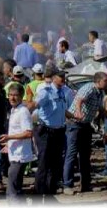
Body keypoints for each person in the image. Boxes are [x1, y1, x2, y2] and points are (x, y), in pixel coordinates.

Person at [64, 71, 107, 194]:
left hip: (86, 125)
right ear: (98, 81)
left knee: (85, 156)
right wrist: (78, 111)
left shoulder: (100, 92)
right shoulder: (89, 88)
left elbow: (101, 109)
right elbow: (79, 99)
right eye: (105, 81)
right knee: (71, 155)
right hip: (75, 124)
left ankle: (86, 185)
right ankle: (68, 185)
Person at [33, 65, 69, 197]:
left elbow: (63, 110)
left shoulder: (62, 92)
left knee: (56, 165)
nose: (63, 78)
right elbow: (34, 105)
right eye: (61, 76)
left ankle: (50, 194)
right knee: (43, 164)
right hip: (46, 132)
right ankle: (38, 195)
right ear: (54, 78)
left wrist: (73, 116)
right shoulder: (46, 91)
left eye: (64, 76)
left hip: (59, 132)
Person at [1, 82, 35, 201]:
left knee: (12, 191)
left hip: (20, 156)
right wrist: (8, 144)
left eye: (15, 95)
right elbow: (17, 131)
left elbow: (28, 133)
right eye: (10, 95)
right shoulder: (14, 110)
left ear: (21, 96)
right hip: (15, 154)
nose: (12, 98)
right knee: (17, 189)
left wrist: (9, 138)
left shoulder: (23, 112)